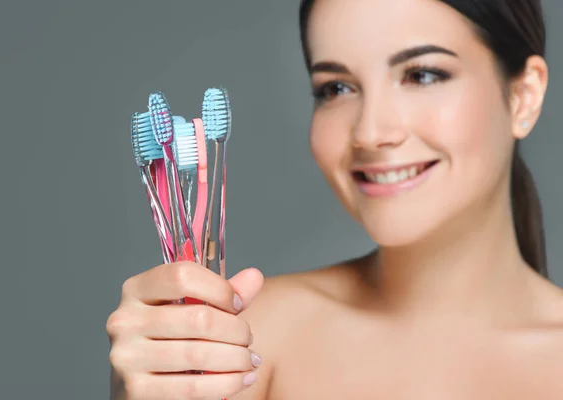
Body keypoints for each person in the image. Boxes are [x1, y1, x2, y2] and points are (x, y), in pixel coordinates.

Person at [106, 0, 563, 398]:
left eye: (422, 75)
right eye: (336, 88)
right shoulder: (241, 339)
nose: (370, 133)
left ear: (524, 96)